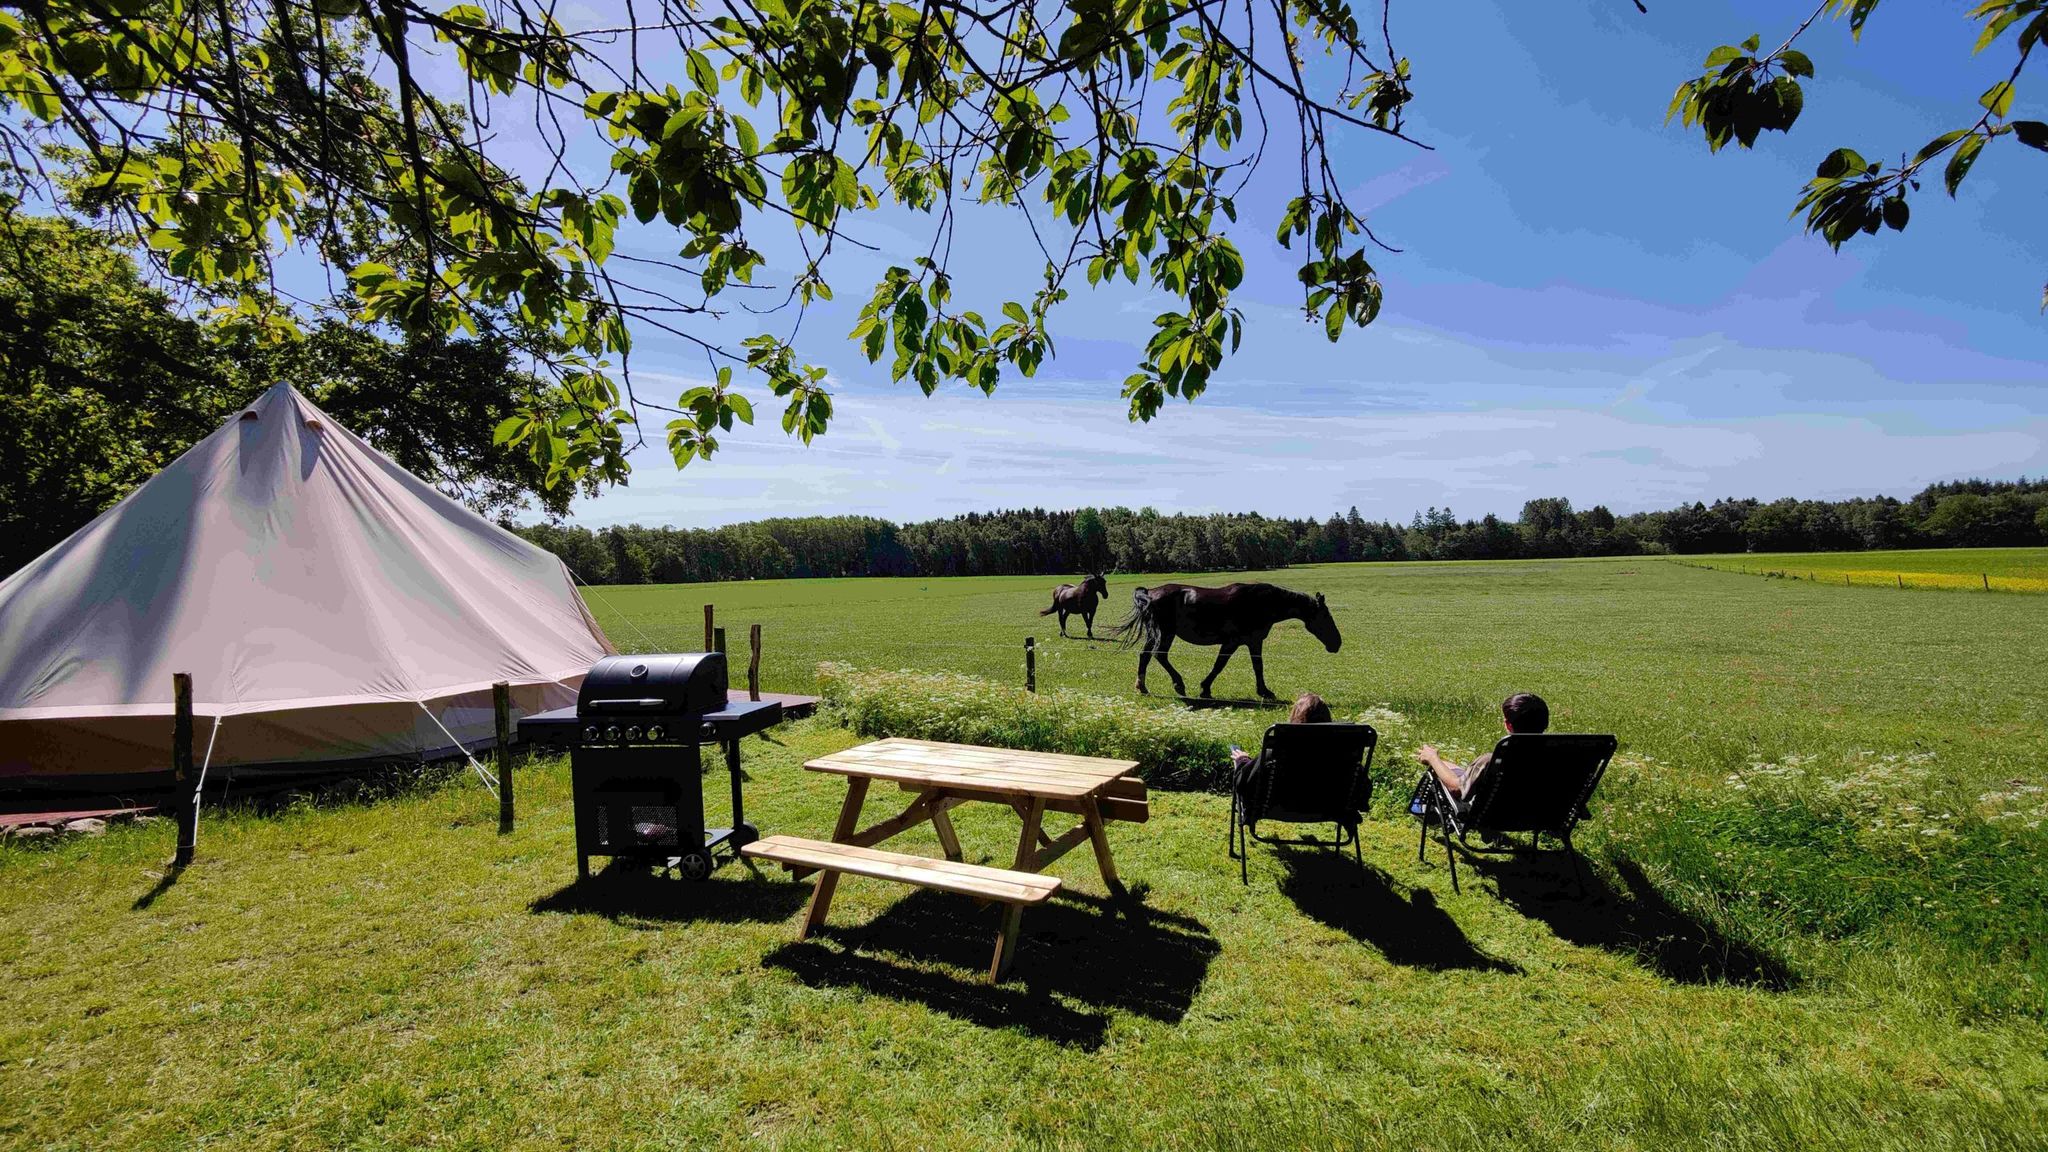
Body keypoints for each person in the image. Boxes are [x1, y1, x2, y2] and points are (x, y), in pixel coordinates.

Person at [1415, 692, 1550, 804]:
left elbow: (1457, 790)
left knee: (1438, 766)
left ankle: (1426, 813)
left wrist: (1432, 758)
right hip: (1532, 815)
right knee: (1447, 765)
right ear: (1545, 723)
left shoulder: (1490, 761)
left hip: (1492, 816)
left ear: (1508, 725)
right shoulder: (1558, 758)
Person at [1230, 692, 1332, 783]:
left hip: (1280, 804)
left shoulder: (1278, 749)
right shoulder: (1340, 751)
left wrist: (1242, 762)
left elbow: (1244, 784)